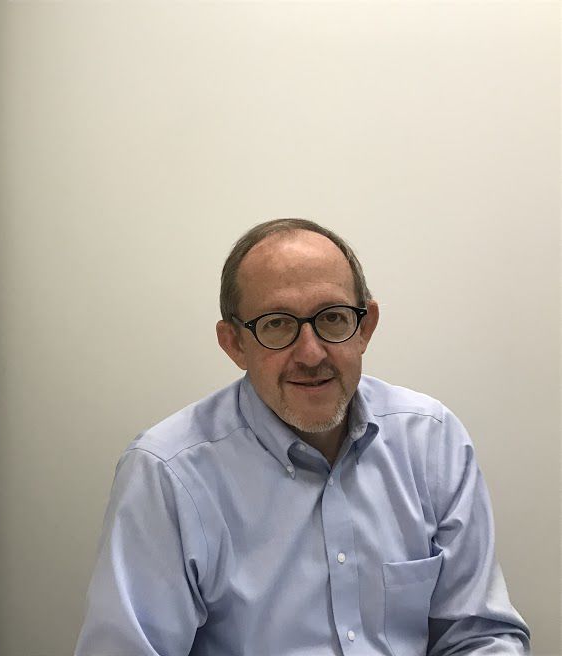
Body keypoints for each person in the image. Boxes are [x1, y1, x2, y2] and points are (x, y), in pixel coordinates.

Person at [74, 219, 530, 656]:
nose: (311, 354)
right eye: (276, 324)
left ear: (365, 326)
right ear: (234, 343)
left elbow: (479, 635)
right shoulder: (168, 474)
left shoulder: (432, 440)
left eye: (332, 318)